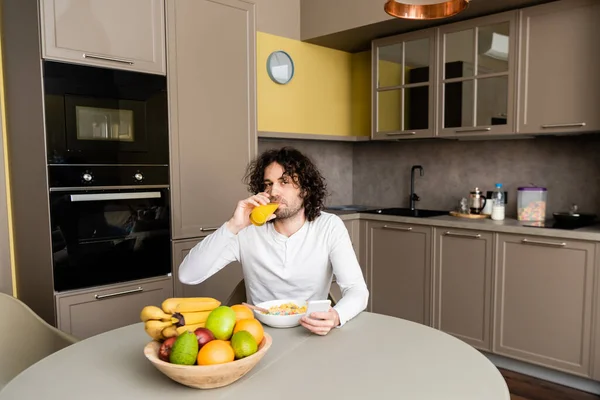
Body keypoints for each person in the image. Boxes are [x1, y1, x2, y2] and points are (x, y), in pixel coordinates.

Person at [178, 147, 369, 335]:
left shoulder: (329, 226)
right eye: (268, 184)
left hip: (310, 330)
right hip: (257, 332)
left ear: (306, 189)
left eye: (284, 182)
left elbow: (356, 290)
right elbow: (187, 275)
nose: (273, 191)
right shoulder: (247, 230)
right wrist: (233, 226)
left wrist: (337, 315)